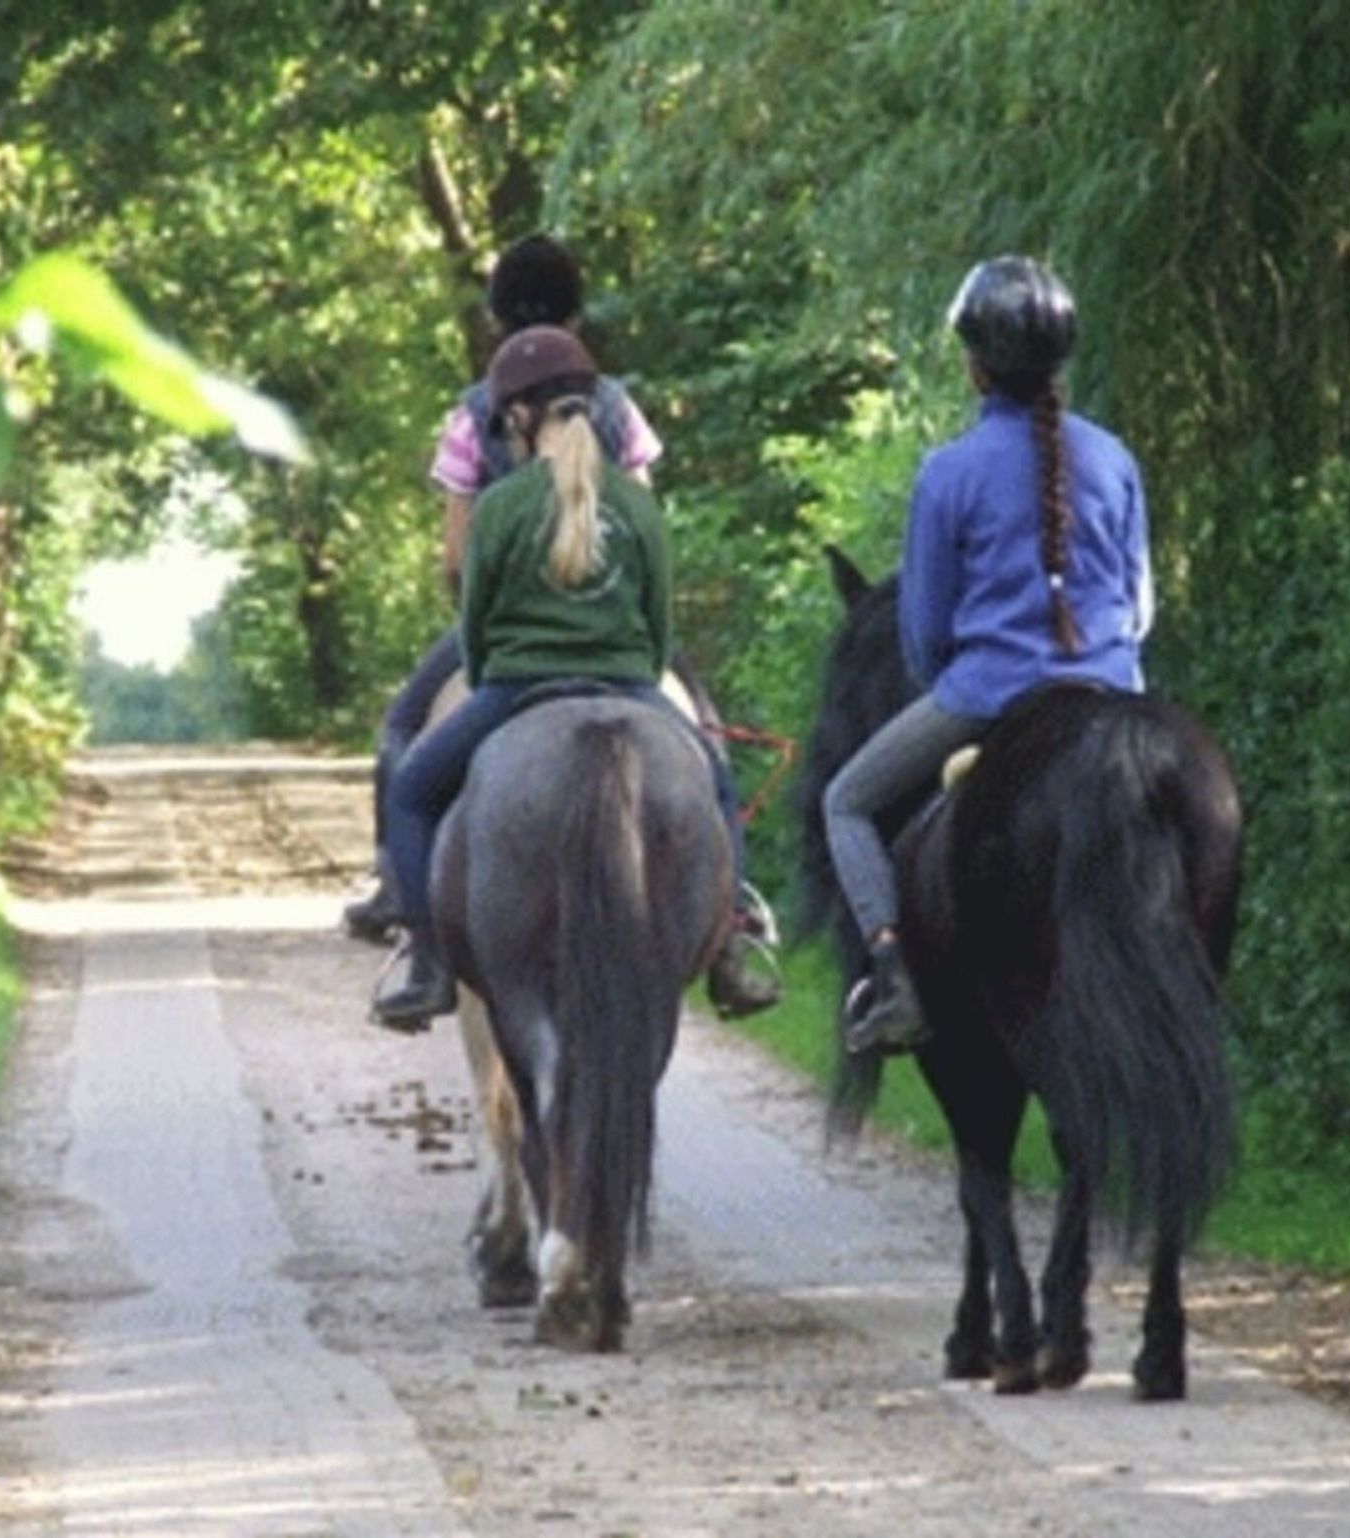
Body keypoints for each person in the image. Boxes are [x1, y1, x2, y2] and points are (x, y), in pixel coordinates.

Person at [372, 326, 771, 1029]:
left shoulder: (498, 507)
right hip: (629, 683)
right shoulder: (639, 505)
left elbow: (475, 629)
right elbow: (658, 629)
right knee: (715, 779)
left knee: (408, 791)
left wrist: (504, 674)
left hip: (514, 687)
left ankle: (428, 964)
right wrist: (624, 671)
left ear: (524, 415)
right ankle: (732, 944)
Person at [824, 255, 1154, 1053]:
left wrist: (962, 694)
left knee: (846, 803)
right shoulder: (1113, 459)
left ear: (975, 367)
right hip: (1114, 697)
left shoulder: (948, 472)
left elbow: (925, 630)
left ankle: (897, 982)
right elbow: (1139, 608)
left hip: (987, 695)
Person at [345, 233, 665, 943]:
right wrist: (645, 653)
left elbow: (458, 566)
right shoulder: (620, 409)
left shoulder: (474, 416)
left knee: (403, 740)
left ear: (497, 322)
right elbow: (648, 544)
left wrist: (484, 650)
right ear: (577, 319)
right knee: (711, 764)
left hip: (512, 655)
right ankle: (734, 924)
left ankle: (412, 925)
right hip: (623, 646)